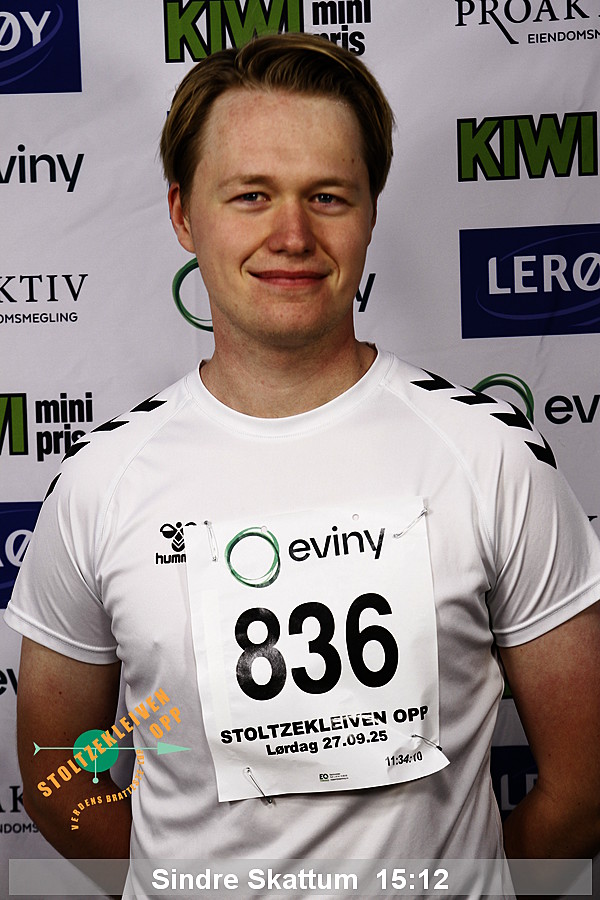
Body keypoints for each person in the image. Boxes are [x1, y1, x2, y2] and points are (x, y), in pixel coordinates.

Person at [6, 32, 600, 898]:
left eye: (327, 196)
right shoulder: (103, 480)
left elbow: (584, 787)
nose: (292, 235)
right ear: (183, 215)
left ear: (369, 214)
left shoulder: (490, 454)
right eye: (251, 195)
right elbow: (60, 775)